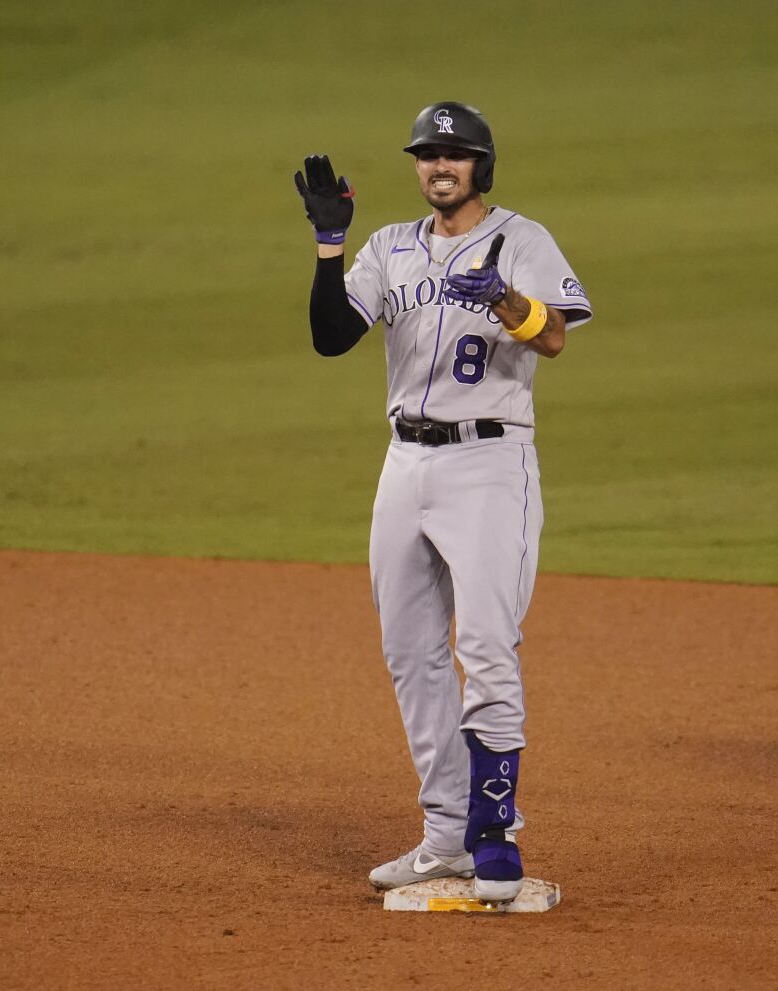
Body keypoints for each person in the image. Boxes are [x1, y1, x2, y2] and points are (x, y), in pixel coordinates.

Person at [294, 102, 593, 899]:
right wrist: (330, 246)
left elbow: (555, 337)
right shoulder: (391, 246)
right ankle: (445, 833)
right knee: (410, 652)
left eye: (455, 155)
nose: (439, 166)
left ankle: (493, 834)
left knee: (488, 644)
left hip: (491, 464)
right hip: (405, 466)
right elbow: (331, 336)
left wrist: (503, 298)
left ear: (480, 167)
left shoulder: (522, 240)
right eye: (428, 154)